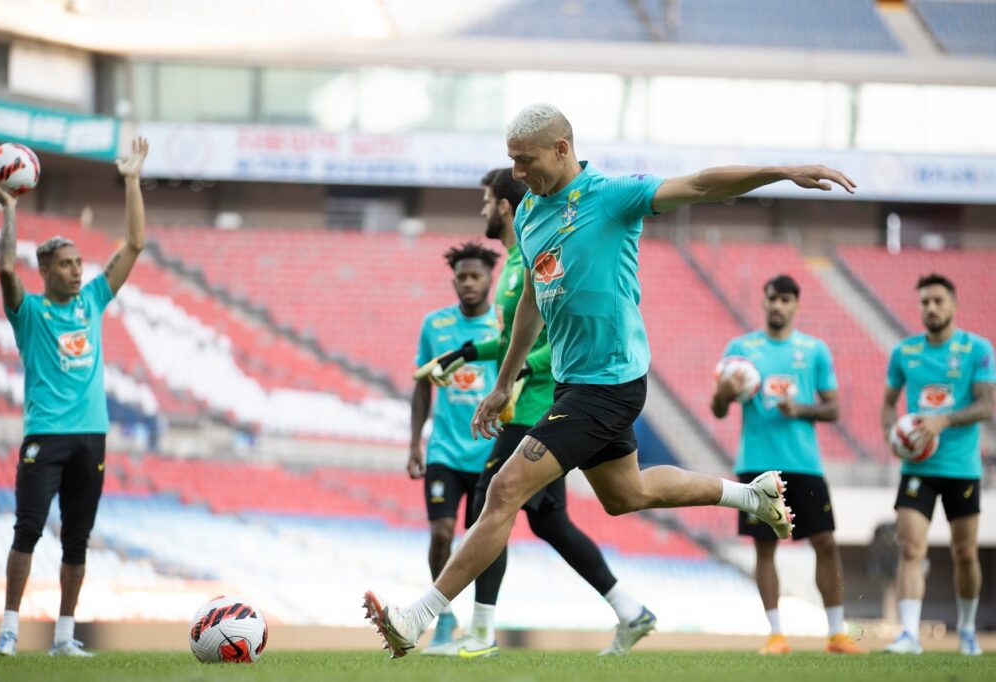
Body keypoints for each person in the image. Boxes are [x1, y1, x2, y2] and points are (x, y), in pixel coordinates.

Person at [365, 103, 855, 658]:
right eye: (511, 163)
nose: (518, 174)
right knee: (628, 494)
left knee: (502, 488)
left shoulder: (612, 196)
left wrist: (782, 171)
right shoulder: (528, 214)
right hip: (578, 383)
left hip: (611, 384)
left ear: (561, 148)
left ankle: (420, 616)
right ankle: (750, 493)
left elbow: (698, 184)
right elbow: (530, 300)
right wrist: (503, 384)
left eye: (525, 161)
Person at [418, 168, 653, 658]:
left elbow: (548, 341)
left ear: (504, 207)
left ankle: (480, 632)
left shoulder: (535, 256)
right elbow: (511, 340)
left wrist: (516, 373)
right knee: (550, 522)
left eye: (486, 200)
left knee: (492, 498)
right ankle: (629, 609)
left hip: (542, 404)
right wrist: (463, 353)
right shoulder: (514, 264)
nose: (482, 209)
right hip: (531, 402)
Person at [0, 137, 149, 657]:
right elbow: (7, 270)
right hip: (45, 436)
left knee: (77, 541)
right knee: (28, 531)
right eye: (67, 265)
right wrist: (10, 211)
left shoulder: (94, 300)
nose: (79, 270)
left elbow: (135, 245)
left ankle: (62, 637)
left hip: (91, 437)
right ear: (47, 272)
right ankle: (8, 632)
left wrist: (130, 181)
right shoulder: (29, 313)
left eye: (80, 262)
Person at [711, 274, 864, 655]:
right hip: (757, 466)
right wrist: (724, 393)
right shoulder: (741, 350)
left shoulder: (814, 351)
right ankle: (777, 635)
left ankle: (836, 634)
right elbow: (717, 410)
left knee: (825, 542)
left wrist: (801, 409)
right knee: (765, 548)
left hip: (805, 465)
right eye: (771, 299)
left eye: (785, 300)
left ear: (796, 305)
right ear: (763, 302)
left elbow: (832, 409)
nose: (777, 306)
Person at [881, 273, 993, 656]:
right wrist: (890, 436)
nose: (930, 308)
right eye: (925, 302)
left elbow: (987, 405)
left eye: (938, 301)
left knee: (966, 553)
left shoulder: (978, 349)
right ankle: (910, 635)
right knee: (911, 547)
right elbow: (886, 402)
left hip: (962, 468)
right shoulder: (904, 352)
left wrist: (942, 421)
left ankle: (965, 628)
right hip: (918, 471)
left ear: (953, 305)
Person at [409, 242, 500, 648]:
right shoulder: (435, 325)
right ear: (453, 279)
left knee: (481, 538)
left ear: (489, 279)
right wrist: (415, 443)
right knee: (441, 534)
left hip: (488, 451)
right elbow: (422, 385)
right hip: (444, 449)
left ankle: (481, 625)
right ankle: (444, 617)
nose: (467, 283)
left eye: (475, 276)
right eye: (461, 276)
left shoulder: (503, 325)